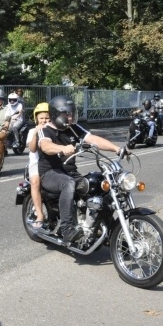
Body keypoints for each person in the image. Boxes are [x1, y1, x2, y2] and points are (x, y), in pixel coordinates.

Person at [38, 95, 126, 243]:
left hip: (71, 172)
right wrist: (62, 148)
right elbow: (46, 146)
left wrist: (117, 148)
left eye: (71, 112)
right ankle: (67, 229)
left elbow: (94, 139)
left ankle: (107, 230)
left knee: (99, 186)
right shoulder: (46, 130)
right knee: (68, 184)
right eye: (66, 113)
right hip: (50, 173)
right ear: (55, 114)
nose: (70, 116)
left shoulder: (73, 128)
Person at [26, 102, 50, 229]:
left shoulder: (54, 130)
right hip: (36, 163)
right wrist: (36, 133)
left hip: (51, 163)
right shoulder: (32, 131)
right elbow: (32, 148)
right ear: (36, 119)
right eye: (41, 118)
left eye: (47, 117)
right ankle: (40, 215)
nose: (44, 120)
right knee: (35, 182)